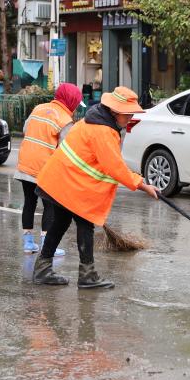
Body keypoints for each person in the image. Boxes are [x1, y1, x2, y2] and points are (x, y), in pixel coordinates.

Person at [33, 86, 159, 289]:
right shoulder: (103, 131)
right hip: (67, 184)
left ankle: (43, 268)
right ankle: (87, 275)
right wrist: (142, 185)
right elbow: (114, 167)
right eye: (128, 114)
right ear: (115, 111)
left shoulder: (93, 120)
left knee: (61, 222)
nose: (130, 118)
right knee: (84, 224)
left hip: (59, 180)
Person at [15, 82, 83, 256]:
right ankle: (47, 245)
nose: (76, 107)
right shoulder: (64, 120)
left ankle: (28, 244)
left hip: (25, 164)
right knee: (49, 206)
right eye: (76, 104)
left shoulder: (38, 108)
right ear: (71, 101)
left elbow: (25, 129)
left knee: (29, 202)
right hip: (44, 169)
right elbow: (66, 148)